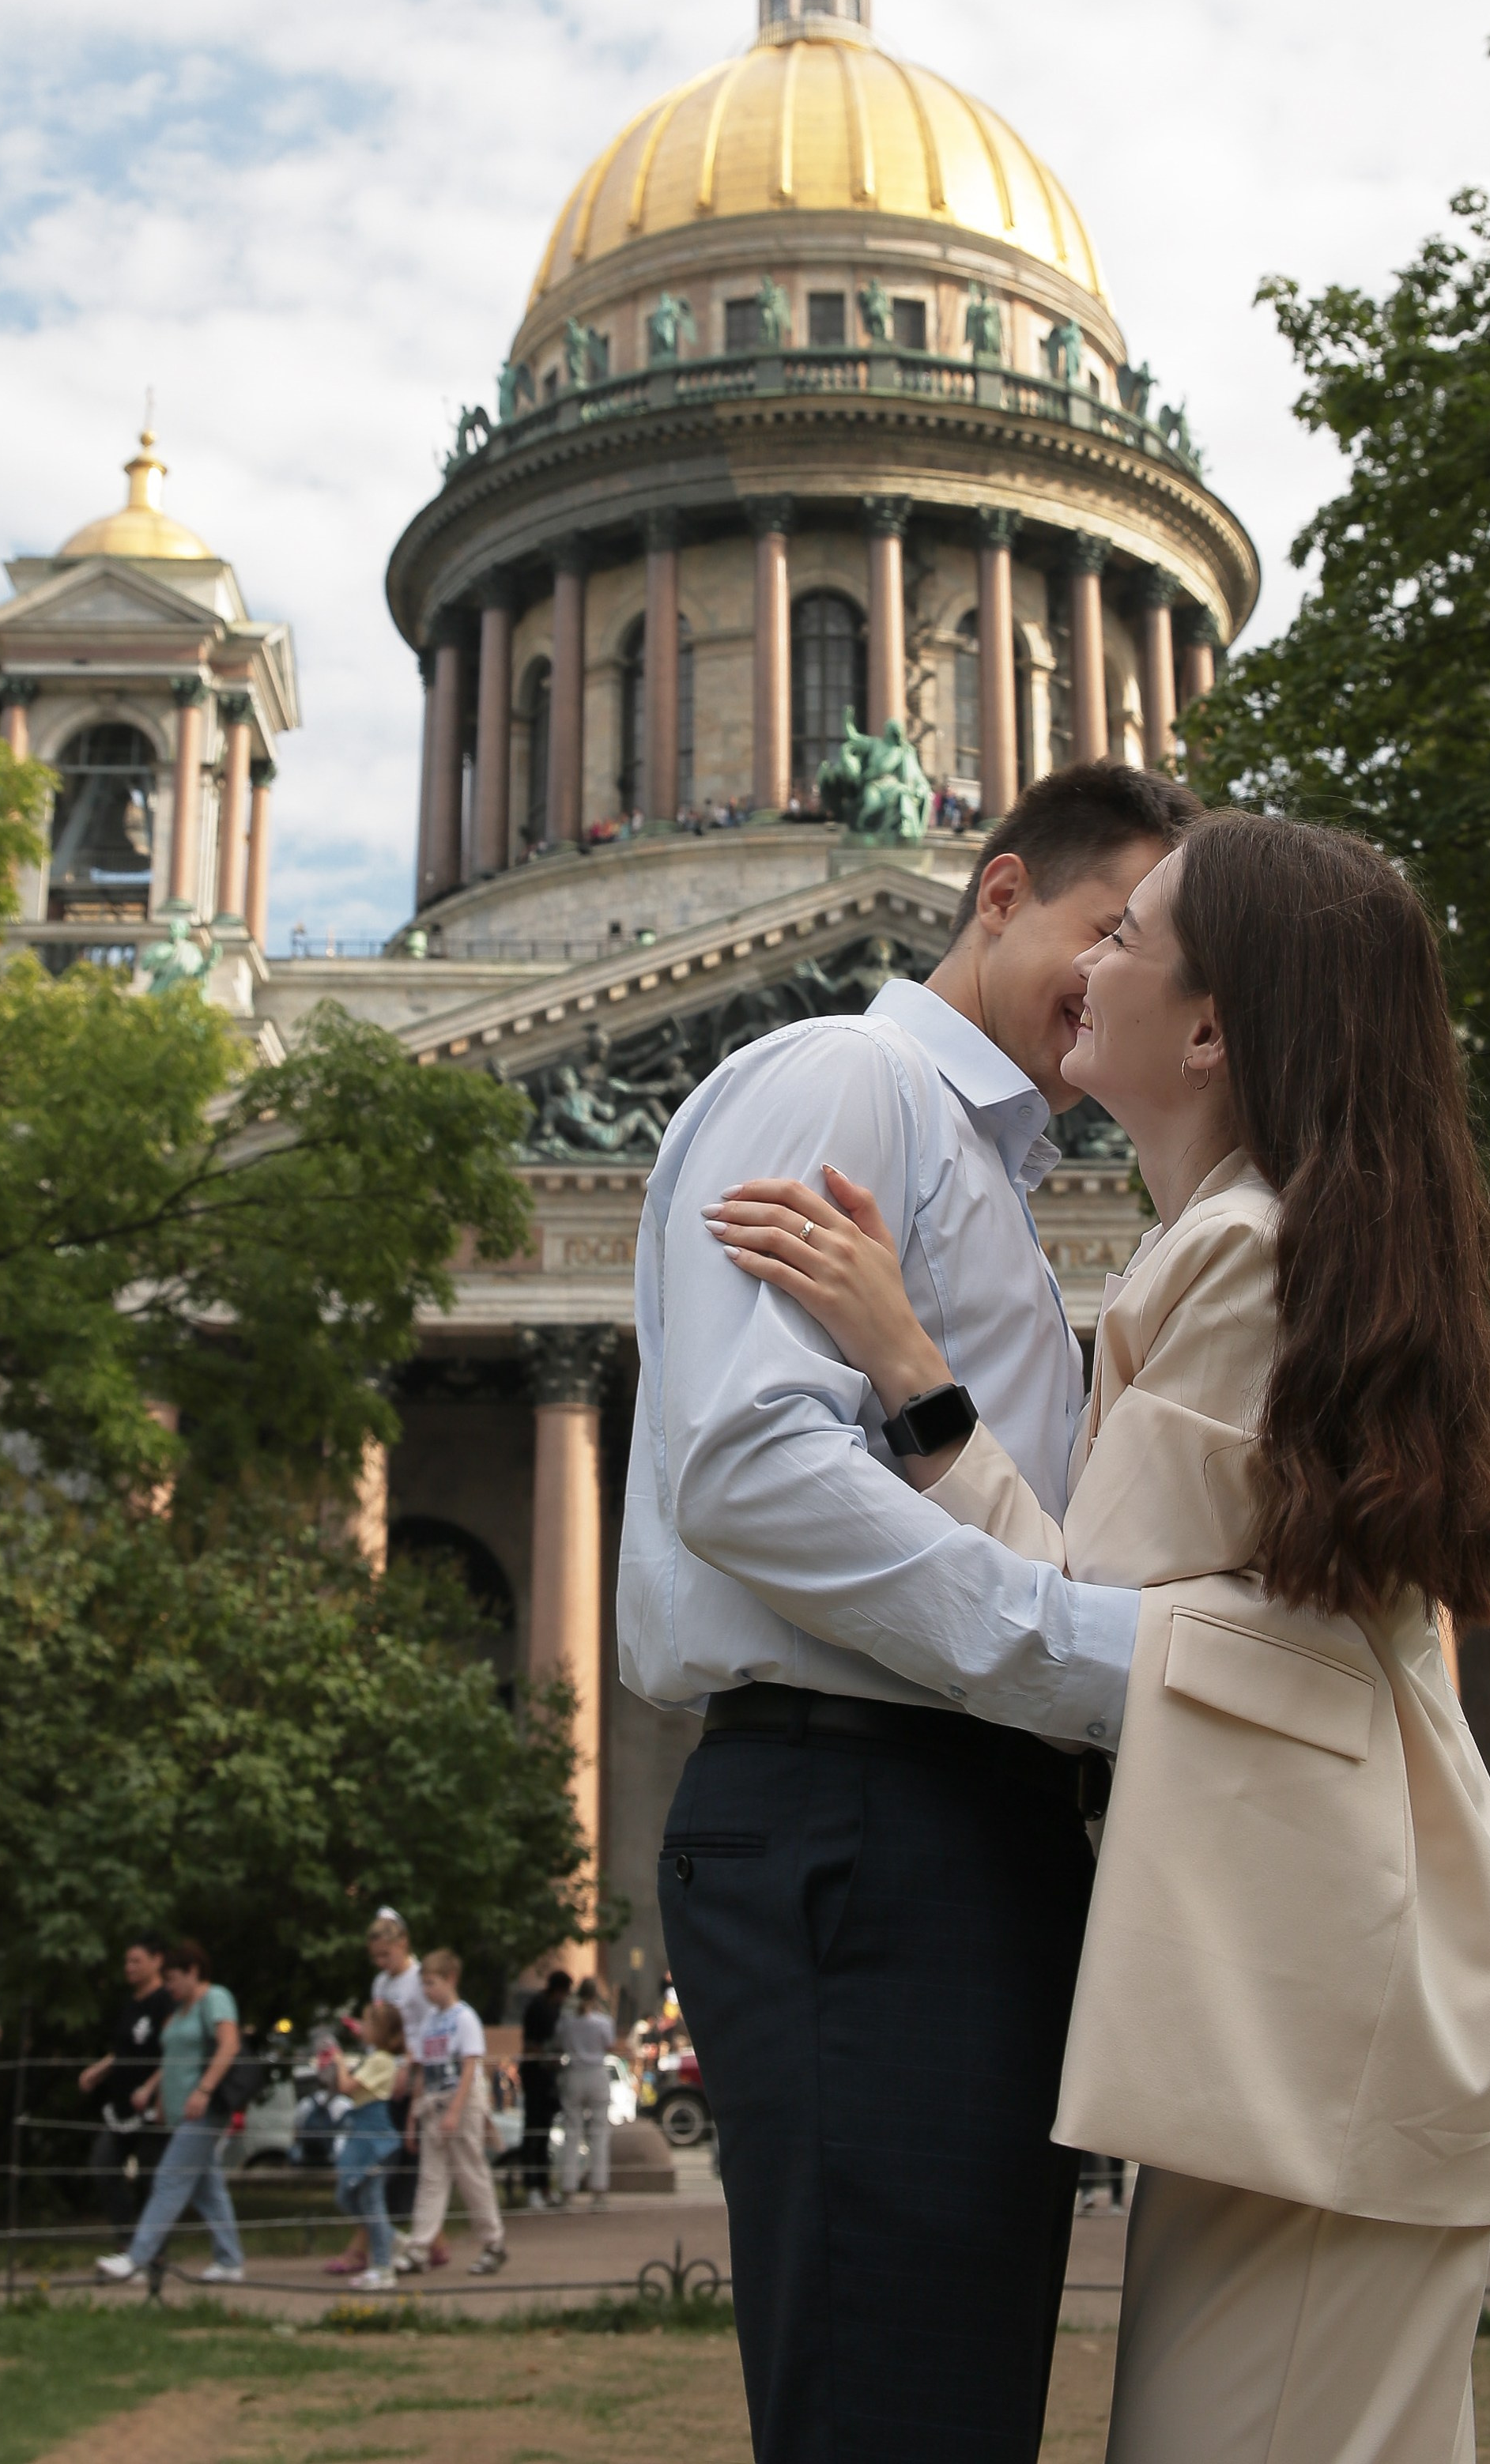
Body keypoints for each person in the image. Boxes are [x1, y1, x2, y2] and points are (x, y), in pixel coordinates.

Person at [708, 810, 1490, 2464]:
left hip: (1310, 2004)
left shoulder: (1243, 1255)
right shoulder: (1252, 1240)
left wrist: (908, 1366)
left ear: (1212, 1029)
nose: (1084, 962)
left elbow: (1076, 1630)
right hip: (1309, 1993)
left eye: (1128, 935)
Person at [621, 764, 1198, 2464]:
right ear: (999, 892)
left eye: (1158, 953)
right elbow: (751, 1469)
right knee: (901, 2408)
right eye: (1108, 927)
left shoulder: (983, 1163)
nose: (1121, 978)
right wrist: (1109, 1670)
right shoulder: (848, 1078)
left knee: (940, 2398)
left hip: (937, 1821)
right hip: (868, 1817)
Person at [96, 1940, 245, 2285]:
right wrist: (158, 2097)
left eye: (173, 1979)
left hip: (204, 2110)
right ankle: (229, 2260)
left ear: (193, 1971)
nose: (169, 1987)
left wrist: (204, 2090)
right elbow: (172, 2061)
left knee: (169, 2178)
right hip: (182, 2113)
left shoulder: (215, 1998)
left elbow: (230, 2045)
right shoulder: (180, 2009)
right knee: (208, 2190)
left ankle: (138, 2258)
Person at [326, 1909, 428, 2277]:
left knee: (385, 2171)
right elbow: (381, 2031)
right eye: (376, 1957)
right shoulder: (381, 1984)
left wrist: (407, 2068)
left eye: (387, 1954)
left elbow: (422, 2030)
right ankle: (398, 2243)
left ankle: (376, 2249)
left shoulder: (419, 1981)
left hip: (406, 2075)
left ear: (403, 1944)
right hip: (383, 2075)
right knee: (380, 2173)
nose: (382, 1963)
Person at [401, 1948, 506, 2274]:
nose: (426, 1991)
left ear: (451, 1979)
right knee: (431, 2178)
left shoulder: (464, 2018)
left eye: (432, 1983)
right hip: (433, 2102)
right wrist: (413, 2118)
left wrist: (455, 2111)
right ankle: (419, 2247)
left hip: (460, 2101)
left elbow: (470, 2066)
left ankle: (493, 2242)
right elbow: (423, 2071)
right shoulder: (430, 2021)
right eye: (423, 1984)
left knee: (471, 2173)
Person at [77, 1934, 172, 2249]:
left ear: (157, 1961)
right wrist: (99, 2070)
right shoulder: (131, 2004)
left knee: (148, 2177)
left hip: (151, 2107)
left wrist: (151, 2087)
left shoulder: (165, 2001)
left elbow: (173, 2053)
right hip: (121, 2106)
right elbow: (123, 2050)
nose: (129, 1967)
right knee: (103, 2165)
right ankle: (128, 2240)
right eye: (127, 1962)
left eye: (136, 1961)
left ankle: (151, 2249)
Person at [326, 2002, 407, 2291]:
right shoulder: (375, 2058)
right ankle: (393, 2238)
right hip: (362, 2134)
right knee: (346, 2196)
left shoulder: (381, 2060)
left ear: (380, 2030)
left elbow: (347, 2087)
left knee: (372, 2201)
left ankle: (383, 2268)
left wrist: (338, 2062)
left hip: (375, 2139)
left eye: (367, 2023)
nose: (362, 2028)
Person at [554, 1981, 615, 2209]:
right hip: (596, 2073)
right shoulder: (603, 2021)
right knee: (599, 2133)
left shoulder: (567, 2021)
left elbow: (560, 2042)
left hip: (574, 2072)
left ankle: (568, 2191)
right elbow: (609, 2044)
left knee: (571, 2133)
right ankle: (599, 2191)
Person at [515, 1969, 569, 2209]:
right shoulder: (537, 2007)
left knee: (544, 2133)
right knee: (533, 2133)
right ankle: (532, 2187)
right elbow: (530, 2045)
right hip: (535, 2075)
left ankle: (544, 2186)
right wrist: (547, 2054)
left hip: (548, 2076)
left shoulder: (555, 2009)